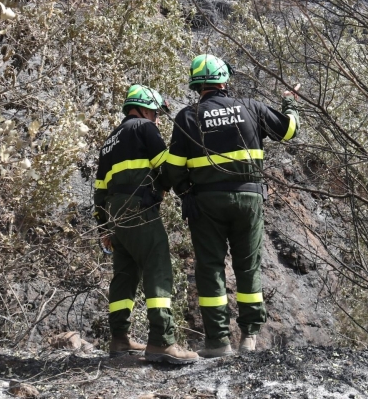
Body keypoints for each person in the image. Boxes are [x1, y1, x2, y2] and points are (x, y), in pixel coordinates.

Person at [163, 54, 300, 357]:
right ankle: (249, 336)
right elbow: (289, 130)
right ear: (225, 79)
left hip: (206, 202)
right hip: (249, 199)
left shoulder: (188, 116)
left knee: (210, 268)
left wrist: (185, 191)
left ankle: (218, 342)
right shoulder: (252, 107)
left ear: (196, 84)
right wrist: (290, 101)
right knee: (248, 266)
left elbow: (172, 168)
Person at [93, 84, 198, 364]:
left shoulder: (109, 140)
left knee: (124, 275)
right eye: (155, 112)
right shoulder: (145, 128)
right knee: (158, 267)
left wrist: (104, 228)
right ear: (140, 108)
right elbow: (168, 166)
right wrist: (165, 188)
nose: (158, 119)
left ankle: (119, 339)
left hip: (115, 216)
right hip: (140, 208)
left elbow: (100, 190)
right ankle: (162, 342)